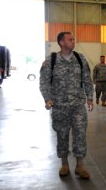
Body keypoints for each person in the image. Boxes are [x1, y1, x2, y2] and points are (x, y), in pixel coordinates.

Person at [39, 31, 94, 179]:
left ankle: (80, 166)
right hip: (59, 106)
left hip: (78, 105)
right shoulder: (52, 60)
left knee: (80, 134)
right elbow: (44, 81)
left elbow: (87, 79)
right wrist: (47, 98)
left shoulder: (80, 58)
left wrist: (90, 97)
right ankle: (64, 164)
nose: (73, 41)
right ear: (61, 43)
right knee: (62, 135)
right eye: (70, 40)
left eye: (73, 39)